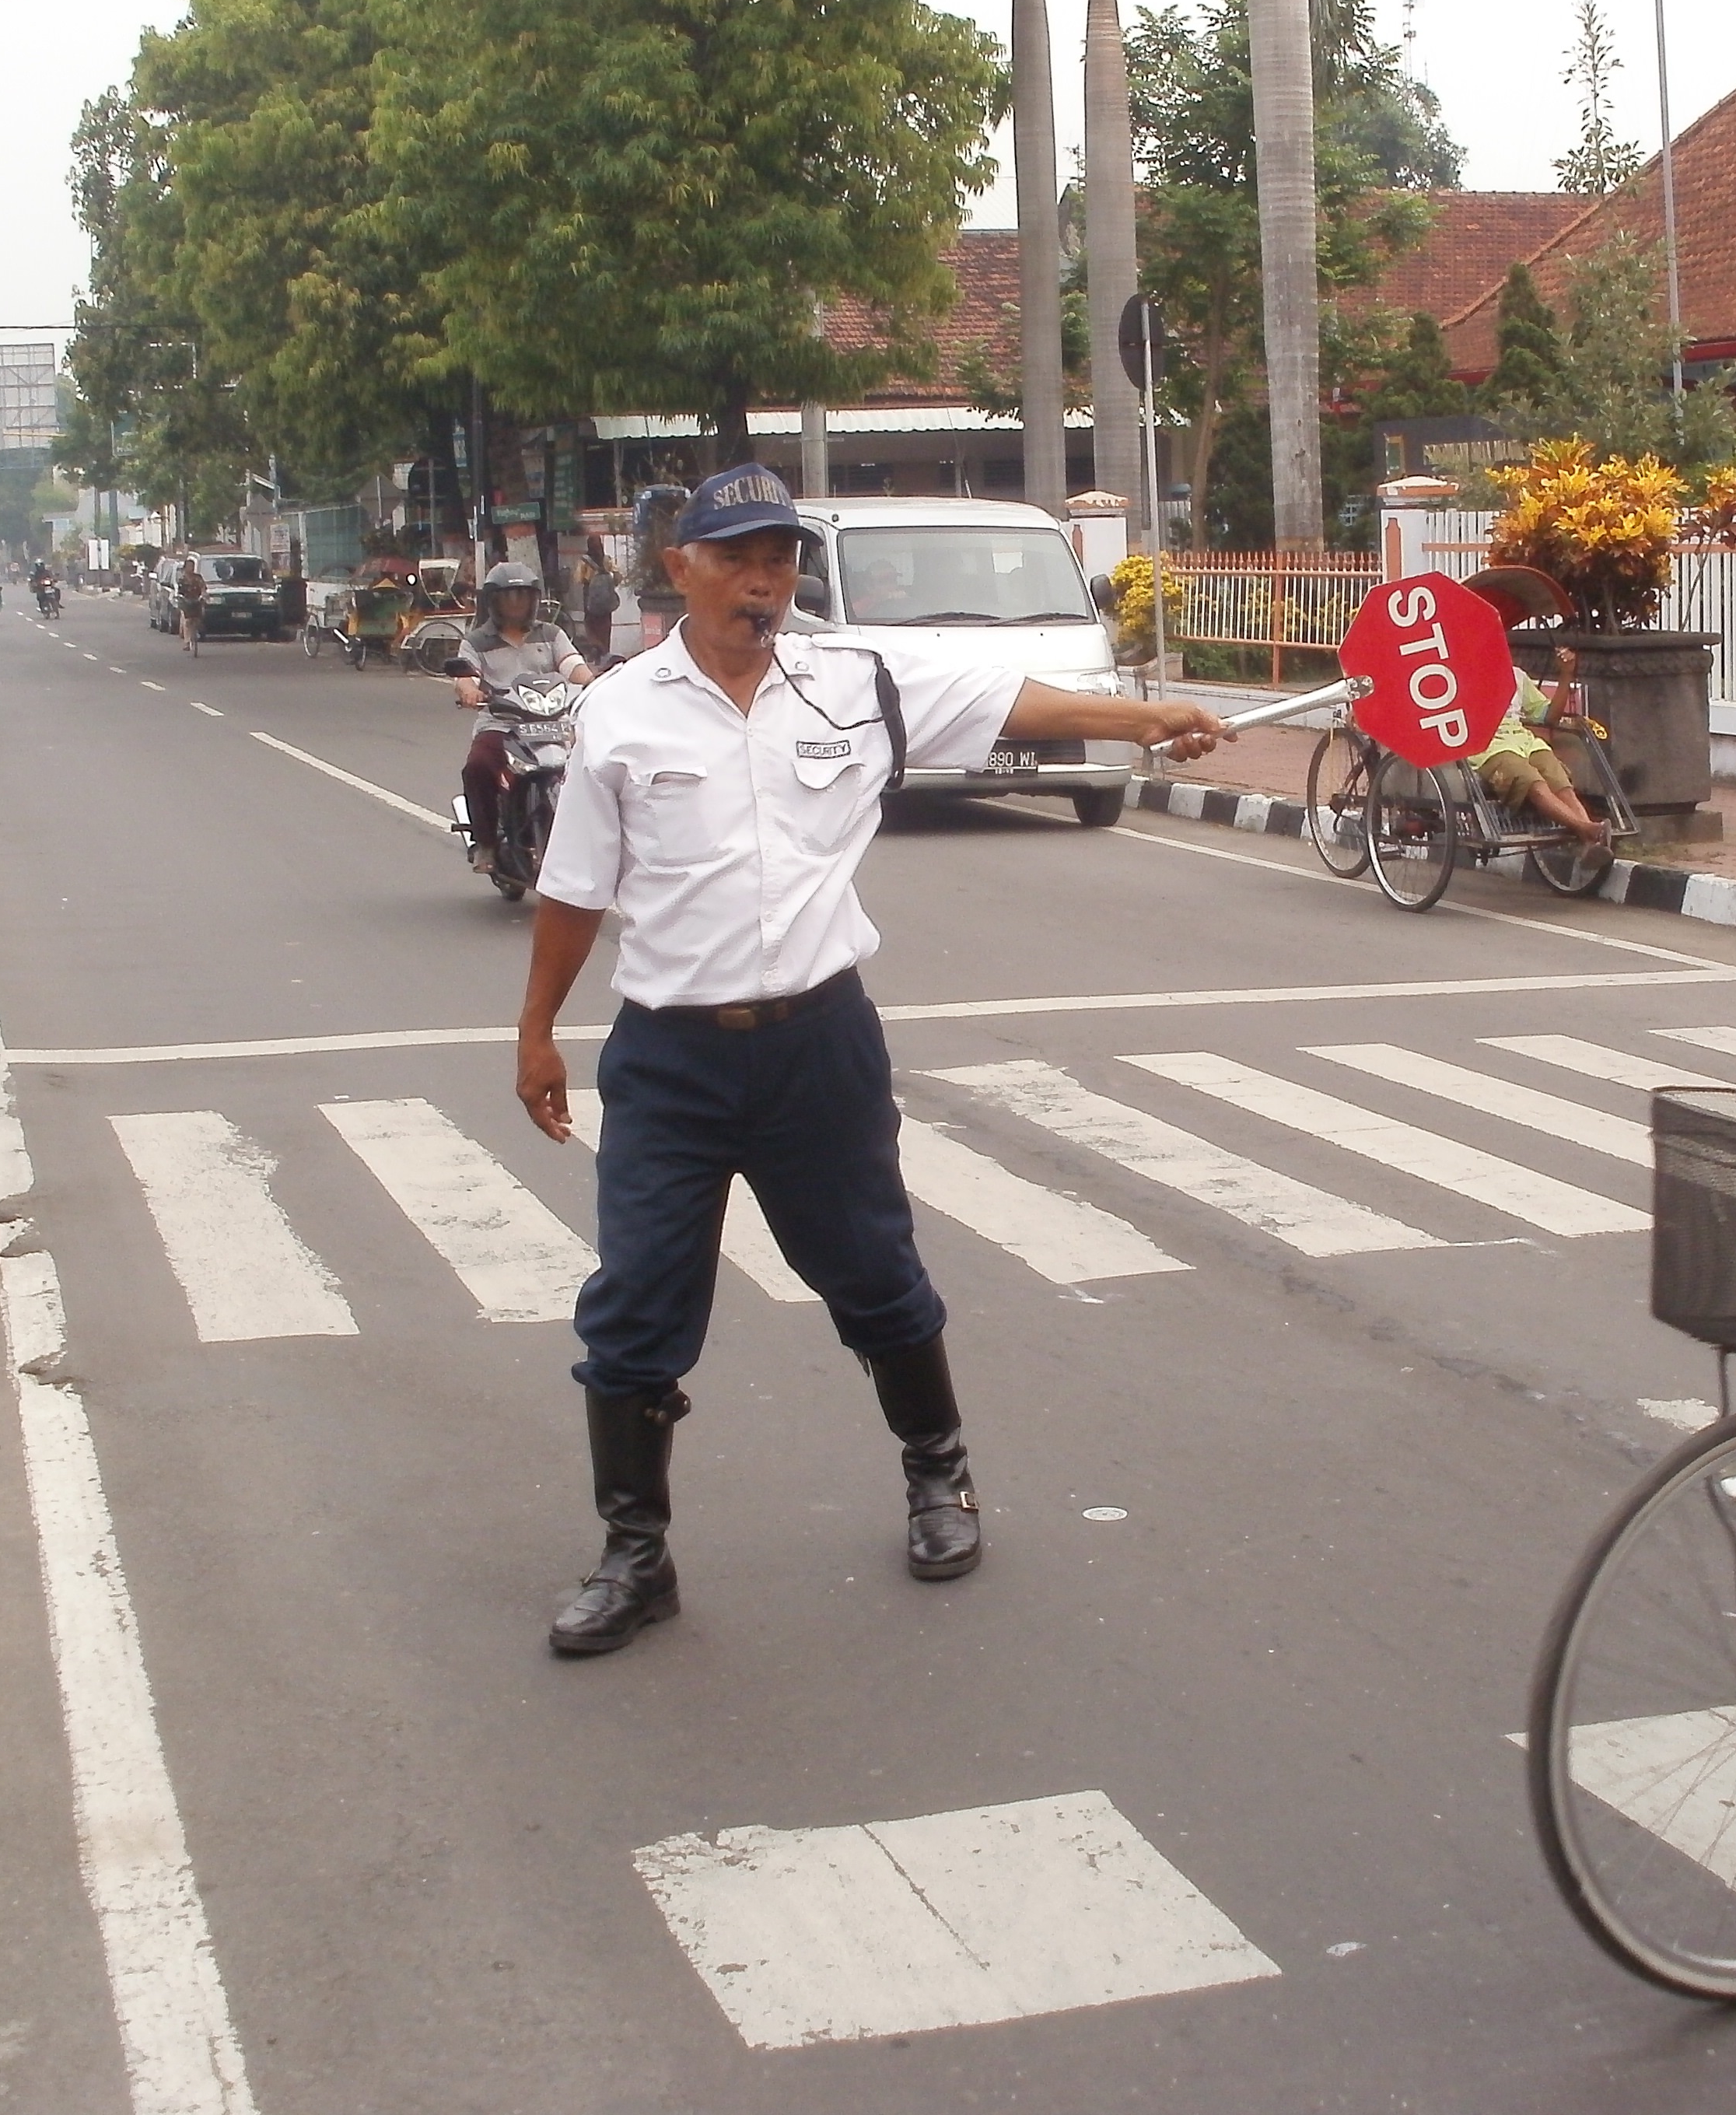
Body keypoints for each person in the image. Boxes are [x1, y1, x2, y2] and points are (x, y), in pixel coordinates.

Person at [513, 464, 1229, 1657]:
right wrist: (538, 1030)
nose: (763, 582)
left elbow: (1008, 699)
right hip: (671, 1061)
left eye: (782, 558)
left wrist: (1146, 719)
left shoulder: (857, 684)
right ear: (681, 567)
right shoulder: (622, 712)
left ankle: (938, 1477)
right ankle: (635, 1554)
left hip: (818, 1048)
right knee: (635, 1306)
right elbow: (575, 889)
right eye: (738, 559)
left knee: (872, 1272)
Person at [451, 559, 593, 867]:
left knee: (598, 763)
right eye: (508, 597)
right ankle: (486, 842)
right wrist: (470, 691)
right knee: (477, 766)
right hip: (502, 724)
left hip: (554, 723)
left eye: (522, 597)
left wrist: (595, 681)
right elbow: (467, 677)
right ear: (493, 602)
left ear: (534, 600)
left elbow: (573, 666)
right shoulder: (476, 641)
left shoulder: (552, 634)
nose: (516, 604)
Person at [1468, 647, 1608, 846]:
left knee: (1560, 782)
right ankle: (1585, 829)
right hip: (1488, 745)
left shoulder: (1516, 676)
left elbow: (1548, 717)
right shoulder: (1458, 679)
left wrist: (1566, 674)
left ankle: (1591, 840)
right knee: (1533, 782)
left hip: (1524, 740)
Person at [564, 533, 617, 663]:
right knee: (605, 625)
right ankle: (605, 651)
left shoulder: (585, 561)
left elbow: (578, 579)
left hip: (589, 597)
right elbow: (618, 577)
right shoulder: (607, 560)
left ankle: (595, 648)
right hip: (606, 598)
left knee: (591, 623)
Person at [173, 554, 208, 653]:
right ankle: (187, 642)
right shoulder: (182, 580)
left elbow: (203, 587)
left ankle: (199, 630)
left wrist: (203, 594)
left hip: (197, 600)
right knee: (187, 621)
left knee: (200, 616)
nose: (191, 569)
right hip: (187, 601)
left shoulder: (198, 577)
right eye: (189, 567)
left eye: (192, 567)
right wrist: (179, 598)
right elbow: (179, 592)